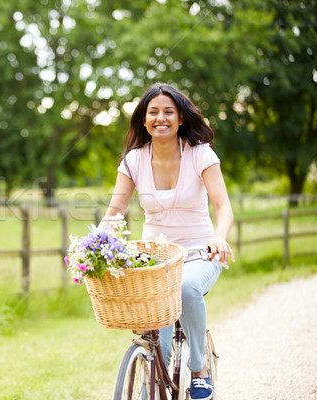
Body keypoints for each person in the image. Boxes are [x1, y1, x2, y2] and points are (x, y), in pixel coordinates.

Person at [98, 83, 235, 400]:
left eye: (169, 112)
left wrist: (218, 237)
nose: (161, 118)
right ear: (144, 121)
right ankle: (154, 376)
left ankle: (199, 370)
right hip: (156, 257)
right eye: (153, 112)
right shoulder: (134, 161)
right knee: (155, 324)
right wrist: (93, 244)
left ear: (181, 119)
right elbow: (115, 210)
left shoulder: (200, 154)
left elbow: (223, 206)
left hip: (201, 252)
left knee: (185, 287)